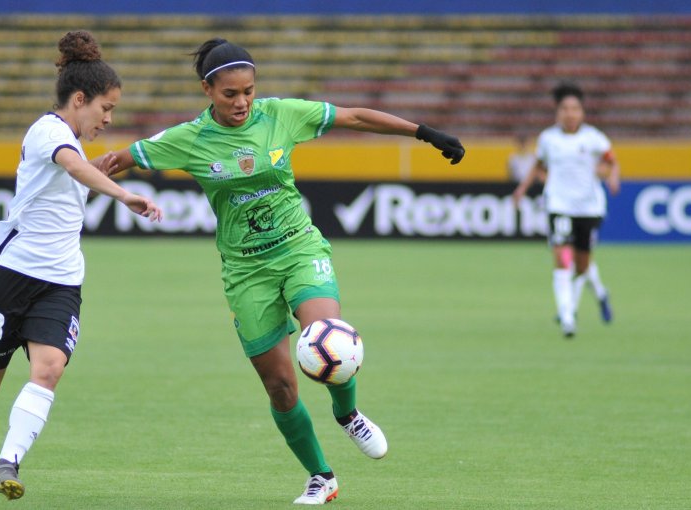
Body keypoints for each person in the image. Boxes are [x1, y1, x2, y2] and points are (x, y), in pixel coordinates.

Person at [97, 38, 465, 505]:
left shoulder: (281, 115)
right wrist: (59, 186)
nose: (242, 102)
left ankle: (347, 414)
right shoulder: (188, 139)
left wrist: (423, 132)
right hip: (246, 271)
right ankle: (321, 476)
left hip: (298, 247)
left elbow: (353, 116)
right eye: (230, 93)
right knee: (280, 385)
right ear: (207, 89)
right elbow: (115, 163)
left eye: (248, 90)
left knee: (325, 336)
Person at [0, 30, 162, 500]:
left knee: (49, 368)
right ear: (80, 99)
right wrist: (124, 195)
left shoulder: (71, 143)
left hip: (60, 283)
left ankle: (5, 463)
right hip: (10, 276)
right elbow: (74, 167)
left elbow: (77, 171)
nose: (109, 118)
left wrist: (118, 163)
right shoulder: (48, 132)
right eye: (106, 108)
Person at [512, 81, 619, 338]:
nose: (570, 113)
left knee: (582, 266)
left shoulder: (594, 138)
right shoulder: (548, 139)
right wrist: (522, 189)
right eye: (565, 108)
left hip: (589, 208)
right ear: (557, 112)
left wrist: (610, 175)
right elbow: (538, 164)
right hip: (559, 205)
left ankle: (598, 295)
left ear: (582, 112)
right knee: (562, 259)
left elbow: (611, 163)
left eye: (575, 108)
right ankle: (567, 316)